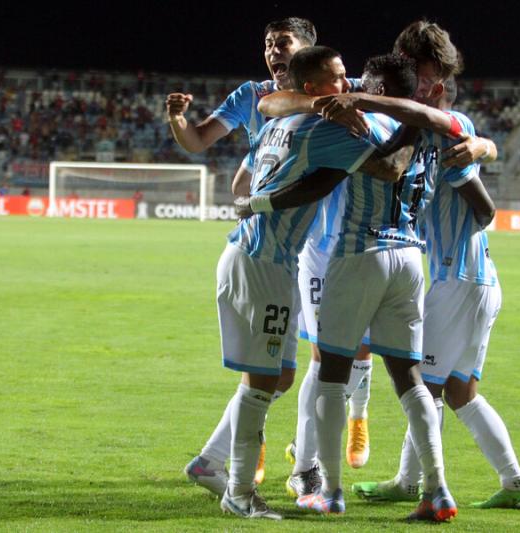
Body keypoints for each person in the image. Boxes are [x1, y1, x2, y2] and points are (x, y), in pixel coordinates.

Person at [328, 20, 520, 512]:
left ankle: (412, 483)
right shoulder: (398, 103)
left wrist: (474, 154)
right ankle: (515, 484)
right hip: (476, 279)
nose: (428, 85)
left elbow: (484, 210)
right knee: (462, 391)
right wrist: (484, 145)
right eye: (424, 74)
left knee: (423, 385)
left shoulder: (442, 127)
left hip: (457, 276)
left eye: (434, 78)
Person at [216, 45, 415, 520]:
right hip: (264, 262)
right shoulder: (325, 130)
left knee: (280, 375)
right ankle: (238, 492)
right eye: (338, 78)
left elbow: (310, 177)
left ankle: (229, 473)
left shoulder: (279, 124)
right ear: (312, 90)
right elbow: (390, 168)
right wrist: (417, 121)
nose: (348, 86)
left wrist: (258, 204)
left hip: (263, 257)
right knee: (262, 381)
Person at [172, 17, 320, 494]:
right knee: (268, 373)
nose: (273, 51)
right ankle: (239, 478)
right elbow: (198, 140)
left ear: (307, 52)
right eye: (268, 44)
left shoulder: (329, 92)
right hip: (266, 247)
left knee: (283, 375)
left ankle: (214, 460)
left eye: (283, 43)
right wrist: (178, 120)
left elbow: (243, 179)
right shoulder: (252, 97)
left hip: (291, 246)